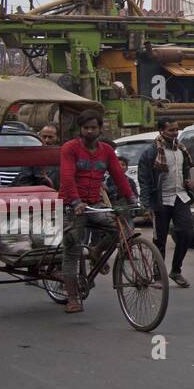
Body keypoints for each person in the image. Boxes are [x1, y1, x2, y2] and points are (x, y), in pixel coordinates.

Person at [59, 109, 137, 314]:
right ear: (80, 129)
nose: (90, 131)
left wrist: (131, 198)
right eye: (86, 128)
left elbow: (118, 176)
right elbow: (67, 177)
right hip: (72, 205)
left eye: (93, 128)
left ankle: (96, 251)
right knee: (72, 249)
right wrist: (75, 201)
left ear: (100, 129)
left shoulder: (106, 151)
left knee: (117, 229)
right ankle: (73, 297)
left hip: (94, 203)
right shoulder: (70, 148)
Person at [137, 117, 194, 288]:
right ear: (161, 131)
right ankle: (158, 275)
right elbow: (145, 180)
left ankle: (176, 271)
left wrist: (190, 185)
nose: (175, 133)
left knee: (187, 233)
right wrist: (146, 205)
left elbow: (186, 173)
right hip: (161, 200)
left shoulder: (182, 150)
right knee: (159, 240)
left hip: (180, 197)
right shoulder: (151, 153)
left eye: (176, 129)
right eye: (171, 130)